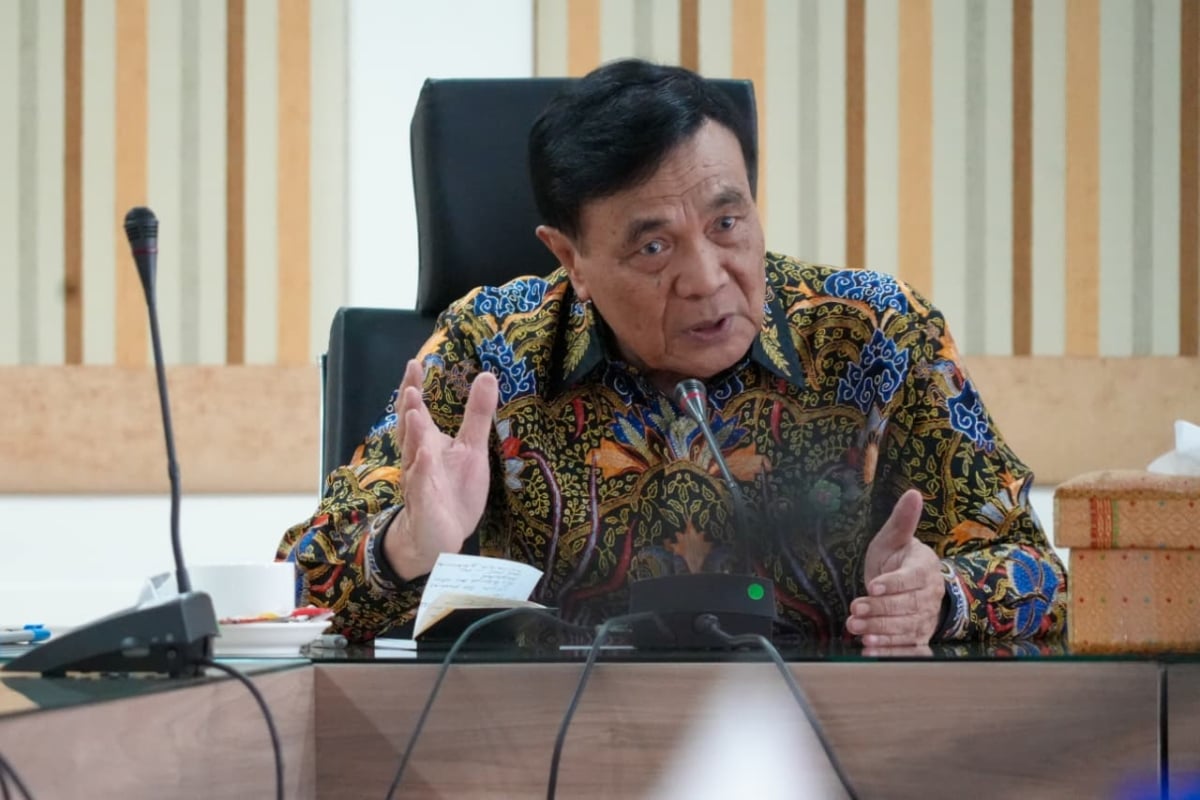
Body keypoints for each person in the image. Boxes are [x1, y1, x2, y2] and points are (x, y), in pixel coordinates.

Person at [277, 59, 1066, 648]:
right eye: (654, 246)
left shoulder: (877, 336)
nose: (707, 278)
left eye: (728, 224)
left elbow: (1043, 574)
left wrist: (940, 596)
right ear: (571, 258)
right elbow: (306, 581)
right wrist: (409, 545)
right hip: (553, 751)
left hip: (824, 745)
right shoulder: (490, 350)